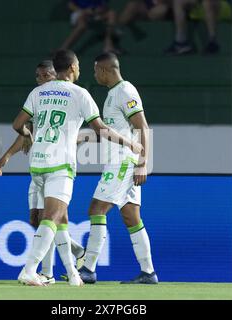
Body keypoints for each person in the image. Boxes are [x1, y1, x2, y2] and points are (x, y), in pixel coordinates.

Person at [12, 49, 144, 286]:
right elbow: (102, 128)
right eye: (81, 66)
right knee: (55, 216)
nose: (84, 70)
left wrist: (27, 135)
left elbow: (18, 124)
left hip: (37, 163)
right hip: (60, 164)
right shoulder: (80, 94)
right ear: (72, 68)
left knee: (60, 217)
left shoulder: (38, 91)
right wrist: (130, 143)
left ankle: (74, 273)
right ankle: (31, 269)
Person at [0, 60, 85, 285]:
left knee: (51, 217)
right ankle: (73, 255)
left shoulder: (69, 97)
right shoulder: (40, 97)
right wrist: (6, 156)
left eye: (43, 75)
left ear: (54, 74)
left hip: (57, 167)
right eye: (37, 76)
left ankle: (51, 272)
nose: (40, 79)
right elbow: (26, 131)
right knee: (40, 219)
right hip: (39, 168)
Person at [77, 52, 158, 284]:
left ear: (104, 70)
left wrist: (143, 163)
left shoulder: (125, 91)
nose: (94, 75)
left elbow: (143, 126)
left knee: (96, 209)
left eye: (95, 70)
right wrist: (81, 138)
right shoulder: (113, 94)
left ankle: (89, 269)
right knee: (131, 216)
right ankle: (148, 272)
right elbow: (112, 133)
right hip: (122, 160)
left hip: (124, 162)